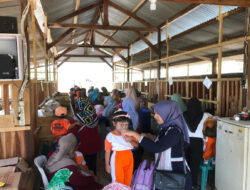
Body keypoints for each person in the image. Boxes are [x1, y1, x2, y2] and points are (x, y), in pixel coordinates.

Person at [122, 100, 192, 190]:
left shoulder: (175, 131)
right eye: (154, 113)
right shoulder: (167, 128)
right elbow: (163, 142)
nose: (155, 116)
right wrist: (149, 136)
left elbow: (156, 147)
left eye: (159, 114)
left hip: (175, 175)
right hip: (167, 174)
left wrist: (135, 135)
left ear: (168, 113)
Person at [184, 98, 211, 189]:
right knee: (194, 166)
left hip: (186, 141)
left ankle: (185, 183)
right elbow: (213, 122)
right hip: (198, 143)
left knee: (186, 163)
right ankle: (193, 184)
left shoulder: (184, 114)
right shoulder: (205, 116)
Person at [105, 110, 138, 186]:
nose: (124, 127)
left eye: (126, 125)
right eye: (121, 124)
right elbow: (107, 151)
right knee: (118, 181)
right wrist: (107, 164)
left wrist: (130, 141)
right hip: (117, 159)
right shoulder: (110, 136)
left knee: (128, 179)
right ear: (114, 123)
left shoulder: (130, 133)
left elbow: (136, 145)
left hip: (129, 157)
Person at [70, 97, 101, 175]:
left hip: (83, 145)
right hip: (95, 143)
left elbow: (72, 132)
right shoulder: (94, 115)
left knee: (84, 166)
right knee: (93, 165)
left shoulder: (77, 118)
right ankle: (94, 178)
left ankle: (88, 181)